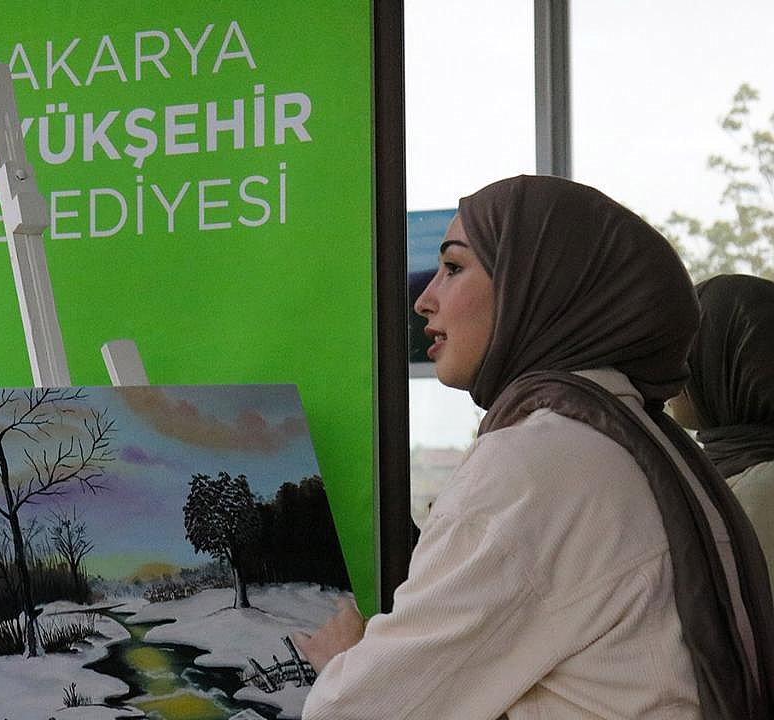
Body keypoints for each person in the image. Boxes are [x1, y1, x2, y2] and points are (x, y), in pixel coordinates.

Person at [295, 176, 774, 719]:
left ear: (535, 286)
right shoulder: (643, 444)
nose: (424, 300)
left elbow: (360, 710)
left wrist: (345, 661)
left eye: (453, 267)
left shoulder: (536, 463)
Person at [669, 273, 774, 594]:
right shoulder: (723, 478)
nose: (665, 373)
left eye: (682, 355)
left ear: (729, 360)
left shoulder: (756, 495)